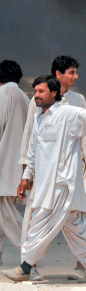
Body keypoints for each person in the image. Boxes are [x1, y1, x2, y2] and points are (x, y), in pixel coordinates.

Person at [2, 76, 86, 283]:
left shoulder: (68, 113)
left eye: (41, 91)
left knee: (39, 226)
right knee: (78, 228)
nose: (37, 95)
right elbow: (33, 153)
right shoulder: (39, 119)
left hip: (62, 185)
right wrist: (26, 177)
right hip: (45, 185)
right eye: (36, 91)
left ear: (53, 92)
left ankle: (25, 267)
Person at [0, 61, 28, 262]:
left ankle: (29, 250)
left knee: (6, 215)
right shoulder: (26, 98)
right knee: (4, 212)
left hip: (2, 165)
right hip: (18, 169)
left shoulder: (3, 95)